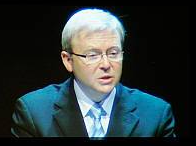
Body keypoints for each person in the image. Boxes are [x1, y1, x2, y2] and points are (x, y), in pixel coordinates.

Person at [11, 8, 175, 138]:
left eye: (113, 53)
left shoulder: (156, 113)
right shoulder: (34, 112)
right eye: (93, 55)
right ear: (68, 60)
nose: (106, 64)